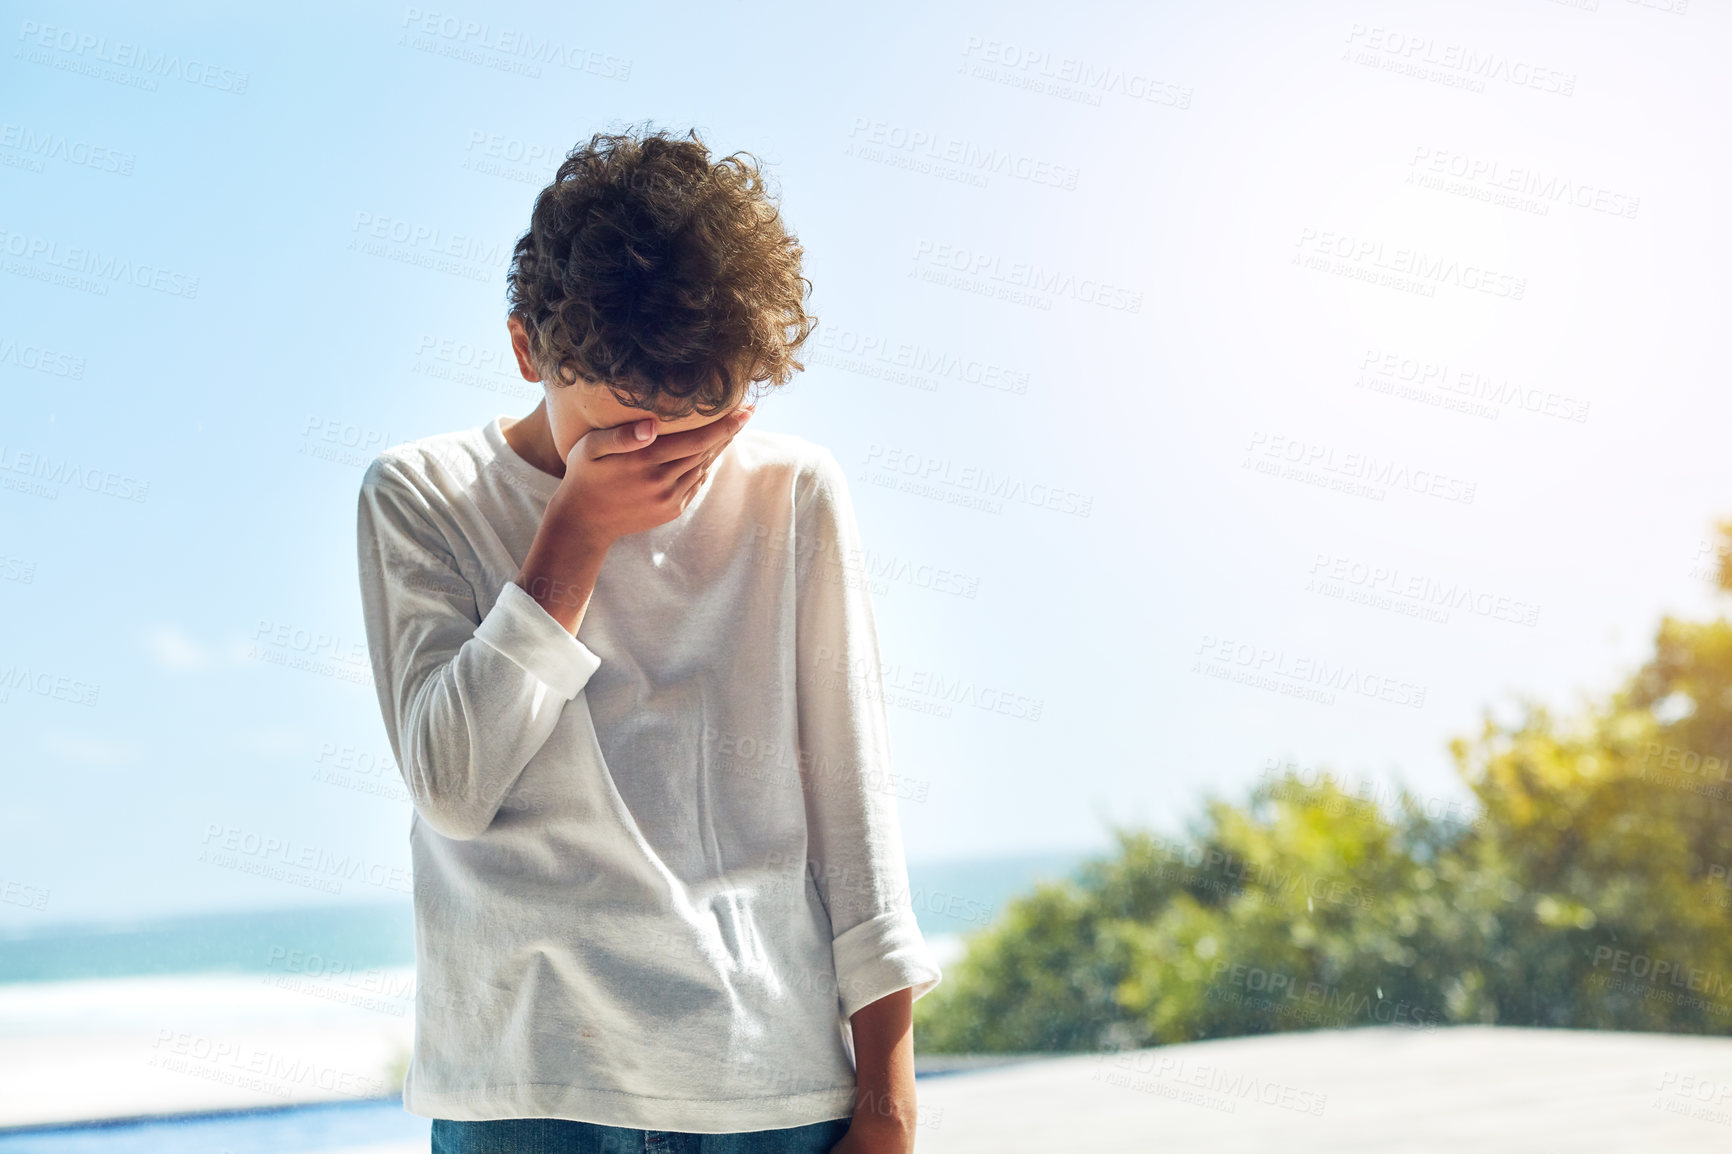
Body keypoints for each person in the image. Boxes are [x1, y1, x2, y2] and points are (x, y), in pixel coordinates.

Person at [354, 124, 942, 1154]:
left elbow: (854, 809)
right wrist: (574, 532)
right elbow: (451, 784)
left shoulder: (790, 491)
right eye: (628, 423)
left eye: (701, 417)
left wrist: (887, 1100)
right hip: (526, 1096)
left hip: (769, 1089)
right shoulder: (422, 495)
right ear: (527, 349)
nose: (667, 453)